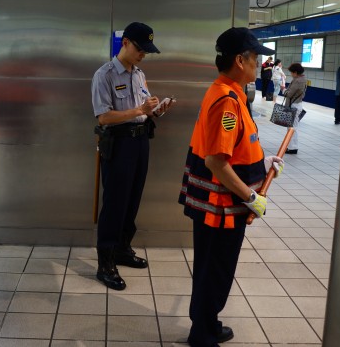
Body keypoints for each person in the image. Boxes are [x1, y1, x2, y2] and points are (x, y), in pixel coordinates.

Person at [178, 27, 284, 347]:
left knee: (214, 267)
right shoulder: (226, 99)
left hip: (224, 205)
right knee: (216, 270)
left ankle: (207, 322)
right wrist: (251, 195)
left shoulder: (233, 92)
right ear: (240, 60)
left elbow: (237, 147)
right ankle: (203, 334)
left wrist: (262, 164)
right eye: (256, 59)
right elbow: (216, 162)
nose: (259, 65)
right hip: (219, 208)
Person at [91, 22, 172, 290]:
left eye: (147, 51)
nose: (143, 54)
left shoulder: (139, 74)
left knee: (133, 199)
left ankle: (123, 249)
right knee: (115, 203)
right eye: (140, 48)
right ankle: (105, 262)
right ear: (125, 43)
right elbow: (104, 116)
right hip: (119, 144)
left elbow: (144, 111)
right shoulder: (104, 75)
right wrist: (138, 108)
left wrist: (155, 110)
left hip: (141, 143)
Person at [284, 63, 307, 155]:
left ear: (296, 72)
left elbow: (289, 94)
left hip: (294, 105)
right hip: (297, 104)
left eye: (292, 72)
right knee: (292, 126)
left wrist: (284, 90)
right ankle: (291, 146)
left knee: (292, 127)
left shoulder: (298, 81)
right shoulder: (302, 79)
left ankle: (293, 148)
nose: (291, 74)